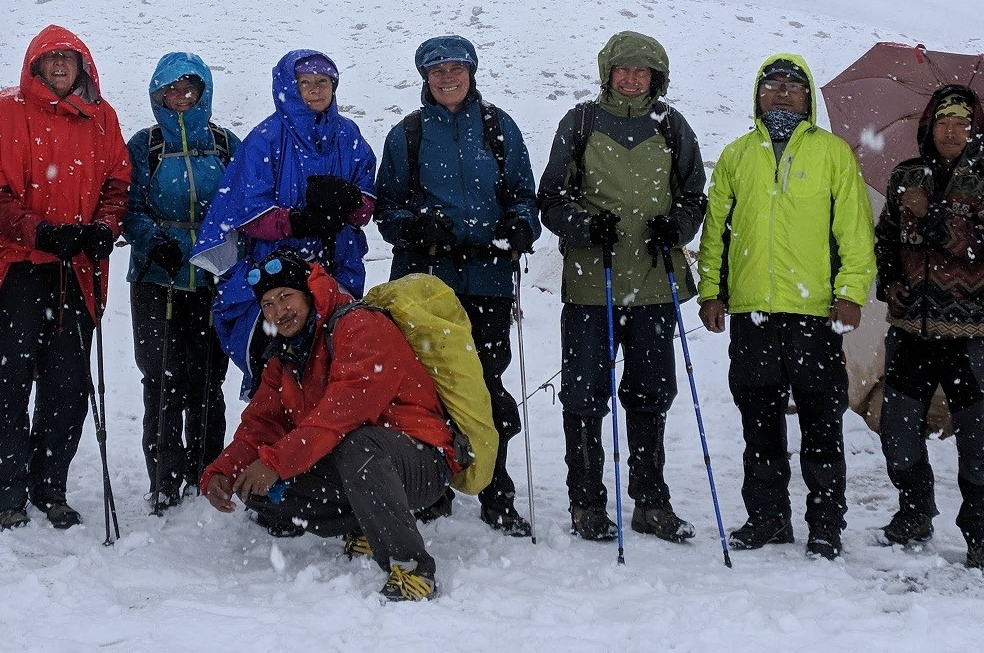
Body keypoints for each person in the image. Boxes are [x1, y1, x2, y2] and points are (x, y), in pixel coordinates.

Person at [698, 53, 876, 559]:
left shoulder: (833, 154)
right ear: (757, 94)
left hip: (815, 314)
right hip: (752, 312)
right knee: (760, 424)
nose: (781, 93)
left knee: (821, 423)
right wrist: (712, 290)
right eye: (771, 85)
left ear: (808, 96)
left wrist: (851, 292)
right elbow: (717, 232)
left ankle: (825, 526)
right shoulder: (737, 155)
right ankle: (768, 519)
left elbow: (855, 231)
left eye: (792, 86)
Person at [201, 257, 458, 601]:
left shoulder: (359, 326)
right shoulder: (286, 355)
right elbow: (261, 425)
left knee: (359, 445)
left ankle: (413, 569)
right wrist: (224, 471)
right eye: (267, 304)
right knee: (257, 488)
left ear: (307, 294)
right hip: (358, 462)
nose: (279, 311)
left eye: (285, 296)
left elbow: (341, 414)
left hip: (421, 461)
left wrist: (276, 462)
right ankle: (364, 526)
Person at [536, 32, 706, 545]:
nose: (632, 80)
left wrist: (675, 227)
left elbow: (695, 196)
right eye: (624, 71)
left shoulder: (673, 126)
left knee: (651, 394)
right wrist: (586, 227)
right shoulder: (581, 123)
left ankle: (650, 500)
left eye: (643, 73)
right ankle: (586, 502)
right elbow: (551, 199)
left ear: (657, 78)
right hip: (593, 285)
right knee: (585, 393)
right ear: (608, 72)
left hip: (655, 283)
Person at [375, 35, 540, 536]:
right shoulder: (408, 134)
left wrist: (519, 227)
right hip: (426, 287)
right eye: (437, 71)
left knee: (486, 383)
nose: (448, 78)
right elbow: (386, 209)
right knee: (426, 386)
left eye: (456, 69)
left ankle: (496, 489)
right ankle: (431, 488)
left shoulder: (498, 128)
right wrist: (416, 226)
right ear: (425, 78)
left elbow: (524, 197)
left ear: (471, 73)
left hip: (487, 279)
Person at [0, 26, 131, 530]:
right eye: (50, 59)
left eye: (69, 58)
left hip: (76, 270)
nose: (60, 66)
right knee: (11, 383)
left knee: (67, 386)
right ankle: (5, 492)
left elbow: (116, 184)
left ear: (83, 66)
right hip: (18, 268)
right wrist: (38, 231)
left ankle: (49, 484)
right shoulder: (7, 111)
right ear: (34, 66)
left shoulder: (102, 118)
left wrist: (104, 229)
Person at [870, 85, 984, 573]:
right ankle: (915, 511)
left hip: (970, 336)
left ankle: (983, 534)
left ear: (974, 130)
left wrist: (929, 212)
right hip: (911, 330)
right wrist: (889, 280)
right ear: (929, 128)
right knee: (897, 432)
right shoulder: (905, 176)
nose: (951, 131)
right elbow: (886, 238)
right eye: (943, 122)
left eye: (961, 123)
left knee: (977, 440)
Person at [191, 50, 376, 373]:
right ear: (290, 87)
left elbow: (366, 206)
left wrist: (349, 202)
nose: (316, 90)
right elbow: (247, 212)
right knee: (278, 366)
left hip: (336, 265)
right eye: (306, 83)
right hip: (276, 268)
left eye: (323, 82)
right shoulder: (266, 138)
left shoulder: (349, 136)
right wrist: (297, 222)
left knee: (337, 364)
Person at [123, 52, 238, 512]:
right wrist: (154, 242)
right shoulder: (144, 146)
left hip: (213, 276)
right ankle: (165, 479)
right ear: (159, 95)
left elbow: (241, 206)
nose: (182, 97)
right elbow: (127, 208)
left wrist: (226, 255)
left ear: (203, 92)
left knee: (209, 379)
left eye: (190, 89)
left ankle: (207, 470)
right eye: (172, 90)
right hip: (158, 278)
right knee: (163, 377)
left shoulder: (226, 144)